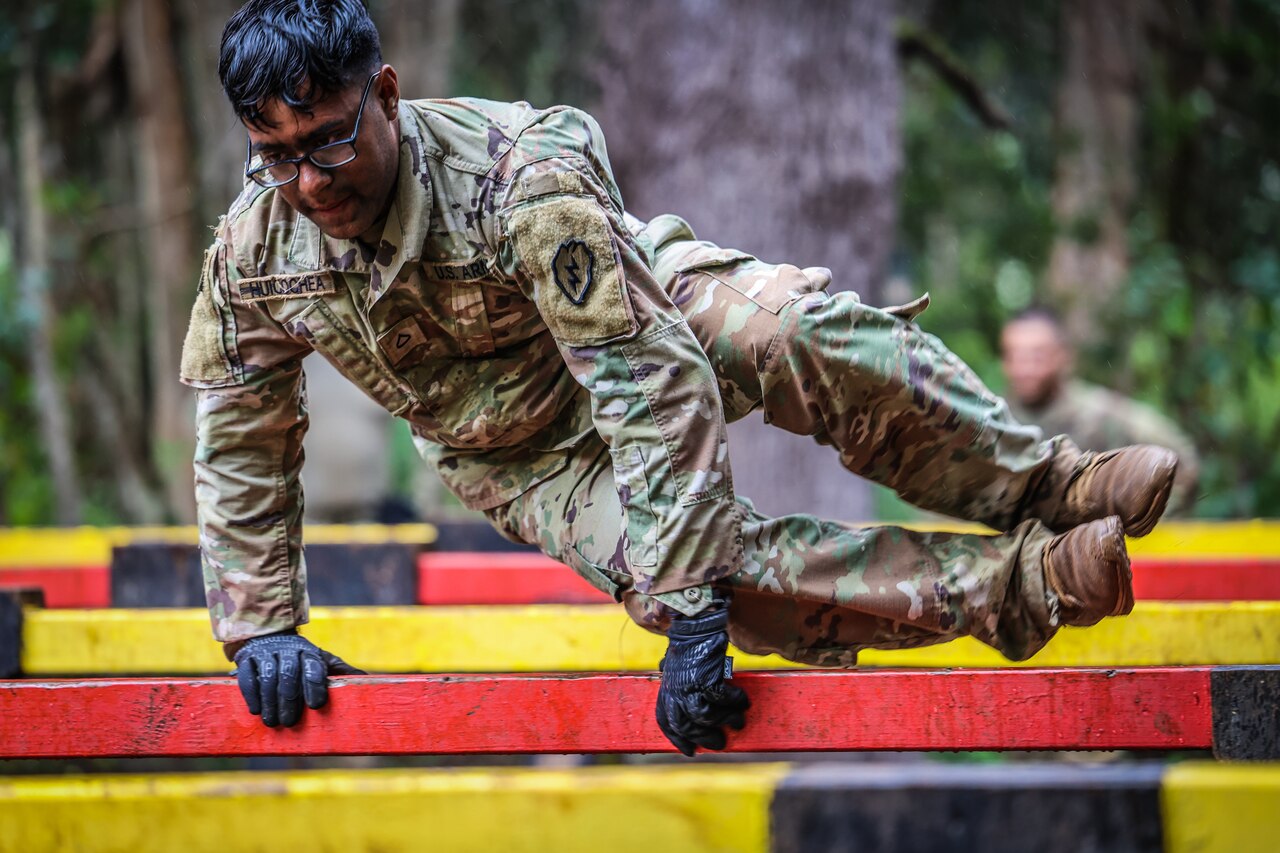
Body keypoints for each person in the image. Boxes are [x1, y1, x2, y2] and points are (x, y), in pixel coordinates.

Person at [182, 0, 1178, 754]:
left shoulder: (516, 173)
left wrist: (691, 608)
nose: (309, 183)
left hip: (641, 315)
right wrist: (259, 623)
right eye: (276, 155)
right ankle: (1030, 582)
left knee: (793, 336)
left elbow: (638, 374)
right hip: (522, 454)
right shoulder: (256, 247)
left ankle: (1045, 483)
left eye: (330, 141)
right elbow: (240, 431)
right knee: (704, 574)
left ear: (387, 95)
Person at [1001, 307, 1199, 512]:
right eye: (1014, 357)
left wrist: (1143, 526)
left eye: (1037, 357)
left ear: (1063, 356)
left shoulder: (1100, 414)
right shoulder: (996, 422)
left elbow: (1180, 460)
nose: (1024, 368)